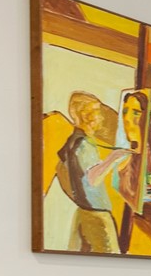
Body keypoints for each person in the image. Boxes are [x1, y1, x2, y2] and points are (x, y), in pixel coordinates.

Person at [53, 93, 132, 254]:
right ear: (86, 115)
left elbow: (61, 170)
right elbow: (92, 179)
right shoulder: (85, 144)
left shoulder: (72, 141)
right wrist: (113, 158)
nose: (100, 117)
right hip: (97, 216)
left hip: (83, 212)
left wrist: (78, 196)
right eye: (97, 111)